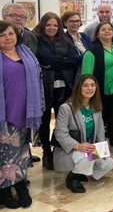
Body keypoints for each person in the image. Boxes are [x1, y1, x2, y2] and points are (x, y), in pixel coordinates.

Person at [0, 21, 43, 208]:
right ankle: (4, 190)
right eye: (2, 35)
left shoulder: (25, 52)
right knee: (6, 155)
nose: (8, 38)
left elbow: (38, 79)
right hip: (5, 113)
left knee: (23, 152)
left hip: (26, 111)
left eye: (10, 33)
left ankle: (20, 185)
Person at [53, 74, 113, 193]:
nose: (90, 88)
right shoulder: (66, 108)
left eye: (93, 85)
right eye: (85, 85)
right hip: (71, 150)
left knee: (109, 162)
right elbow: (60, 133)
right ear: (79, 88)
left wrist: (104, 151)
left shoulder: (96, 108)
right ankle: (72, 177)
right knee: (87, 156)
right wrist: (78, 146)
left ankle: (83, 172)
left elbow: (100, 133)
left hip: (89, 149)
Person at [34, 12, 79, 170]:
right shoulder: (37, 40)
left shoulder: (65, 40)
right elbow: (42, 58)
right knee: (45, 121)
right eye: (48, 25)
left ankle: (58, 149)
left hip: (65, 87)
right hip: (44, 87)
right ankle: (47, 152)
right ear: (43, 25)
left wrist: (53, 64)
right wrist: (63, 62)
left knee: (63, 122)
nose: (52, 28)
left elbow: (76, 59)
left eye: (55, 25)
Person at [81, 21, 113, 158]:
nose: (107, 31)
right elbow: (86, 76)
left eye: (109, 29)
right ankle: (98, 149)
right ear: (97, 33)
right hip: (101, 92)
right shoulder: (92, 51)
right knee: (100, 120)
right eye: (103, 29)